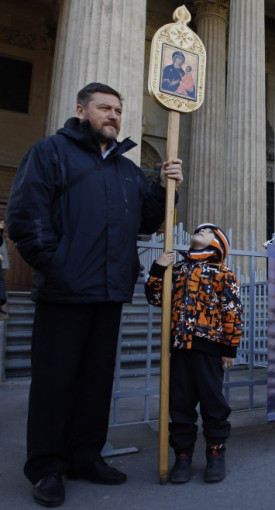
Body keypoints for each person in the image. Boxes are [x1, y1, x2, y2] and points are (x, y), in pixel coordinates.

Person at [7, 82, 184, 507]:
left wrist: (164, 186)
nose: (114, 116)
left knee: (95, 383)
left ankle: (86, 456)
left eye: (119, 110)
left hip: (108, 292)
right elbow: (24, 217)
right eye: (105, 108)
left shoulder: (126, 170)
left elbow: (148, 220)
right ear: (81, 110)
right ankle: (48, 467)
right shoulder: (50, 153)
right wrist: (57, 263)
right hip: (64, 292)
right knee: (55, 384)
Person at [145, 223, 243, 484]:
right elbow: (155, 298)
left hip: (208, 350)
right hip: (179, 348)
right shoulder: (177, 270)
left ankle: (215, 452)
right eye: (199, 229)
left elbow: (232, 311)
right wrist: (158, 268)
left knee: (213, 403)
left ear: (217, 243)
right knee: (180, 406)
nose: (201, 230)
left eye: (208, 231)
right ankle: (183, 455)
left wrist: (230, 347)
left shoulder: (223, 273)